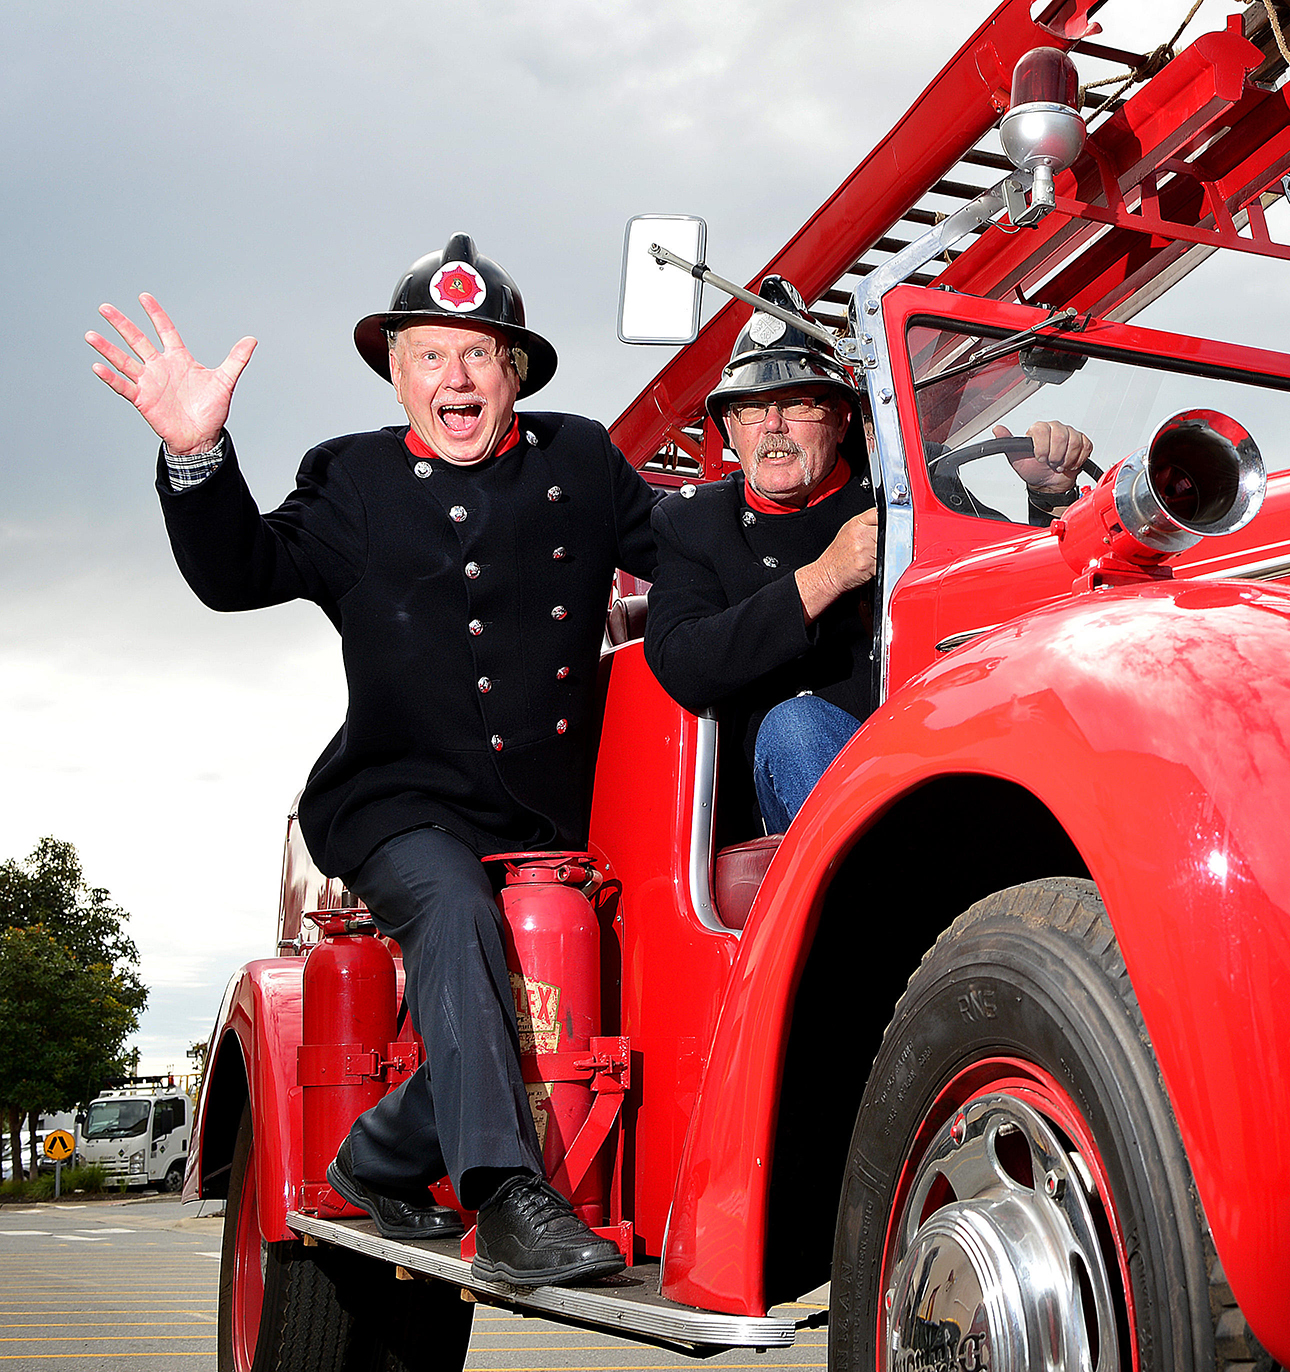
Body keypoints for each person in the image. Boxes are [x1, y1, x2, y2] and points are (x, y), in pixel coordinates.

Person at [88, 234, 656, 1288]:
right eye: (431, 355)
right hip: (395, 802)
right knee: (453, 912)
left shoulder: (580, 462)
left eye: (481, 355)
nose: (456, 377)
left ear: (514, 377)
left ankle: (377, 1154)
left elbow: (697, 550)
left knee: (551, 1008)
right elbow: (238, 570)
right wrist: (197, 457)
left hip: (547, 816)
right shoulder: (350, 479)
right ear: (397, 375)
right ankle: (508, 1192)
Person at [644, 279, 1092, 839]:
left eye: (797, 404)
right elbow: (684, 663)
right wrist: (828, 576)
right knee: (797, 725)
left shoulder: (907, 498)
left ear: (843, 417)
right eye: (753, 409)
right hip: (800, 788)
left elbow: (1014, 611)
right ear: (730, 427)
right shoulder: (694, 523)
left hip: (938, 748)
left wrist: (1048, 497)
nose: (773, 427)